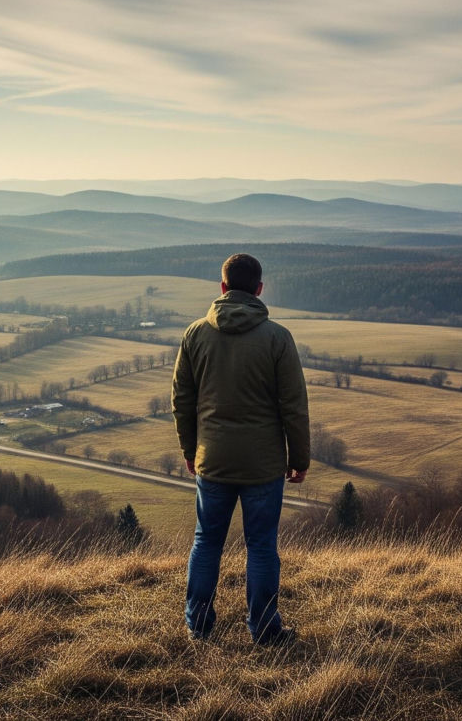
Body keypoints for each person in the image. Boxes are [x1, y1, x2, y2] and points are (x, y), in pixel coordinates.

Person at [172, 253, 310, 645]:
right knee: (262, 546)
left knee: (206, 542)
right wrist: (299, 459)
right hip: (263, 465)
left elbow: (182, 399)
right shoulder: (278, 338)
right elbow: (294, 406)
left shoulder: (195, 334)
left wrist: (190, 449)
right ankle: (265, 630)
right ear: (259, 290)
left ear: (222, 288)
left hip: (212, 459)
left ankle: (198, 627)